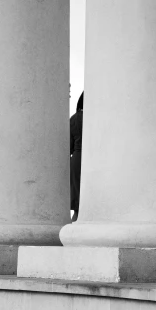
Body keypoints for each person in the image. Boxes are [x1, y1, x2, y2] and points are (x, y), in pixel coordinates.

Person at [70, 92, 84, 221]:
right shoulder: (95, 118)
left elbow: (68, 147)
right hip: (93, 160)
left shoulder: (74, 119)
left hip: (77, 160)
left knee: (78, 208)